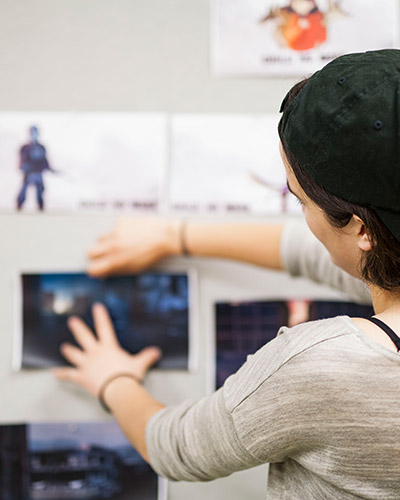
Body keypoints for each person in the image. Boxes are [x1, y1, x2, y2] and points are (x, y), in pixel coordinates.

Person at [54, 50, 400, 499]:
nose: (305, 221)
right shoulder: (378, 245)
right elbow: (321, 255)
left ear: (361, 228)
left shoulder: (321, 368)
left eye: (300, 200)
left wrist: (113, 379)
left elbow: (178, 447)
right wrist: (178, 236)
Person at [16, 125, 55, 211]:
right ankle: (19, 206)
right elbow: (22, 159)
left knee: (40, 193)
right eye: (32, 133)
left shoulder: (41, 147)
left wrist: (49, 168)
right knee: (23, 192)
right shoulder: (25, 147)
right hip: (28, 173)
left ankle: (40, 208)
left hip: (38, 173)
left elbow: (45, 160)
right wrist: (23, 167)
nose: (34, 135)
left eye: (35, 133)